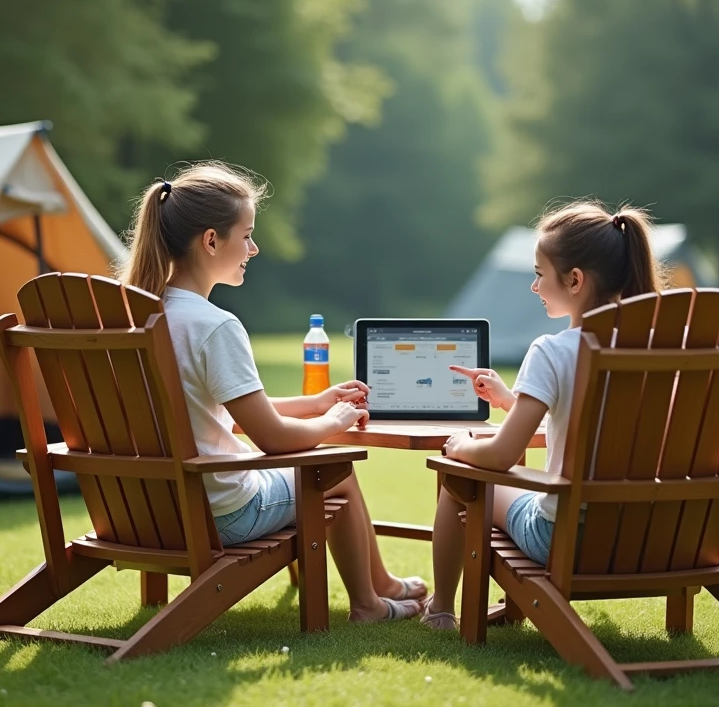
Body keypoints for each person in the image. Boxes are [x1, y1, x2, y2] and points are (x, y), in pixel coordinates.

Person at [119, 162, 426, 622]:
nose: (254, 248)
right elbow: (273, 438)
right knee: (336, 471)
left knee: (324, 470)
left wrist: (315, 403)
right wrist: (333, 422)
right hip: (217, 515)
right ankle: (369, 601)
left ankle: (381, 586)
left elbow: (218, 408)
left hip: (140, 511)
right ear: (210, 241)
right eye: (246, 235)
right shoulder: (213, 325)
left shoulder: (138, 316)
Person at [421, 201, 668, 630]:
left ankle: (440, 610)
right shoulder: (663, 347)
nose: (534, 286)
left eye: (539, 274)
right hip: (657, 536)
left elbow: (500, 456)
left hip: (567, 540)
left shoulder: (553, 351)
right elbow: (597, 424)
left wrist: (461, 446)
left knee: (457, 480)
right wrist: (511, 401)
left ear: (574, 280)